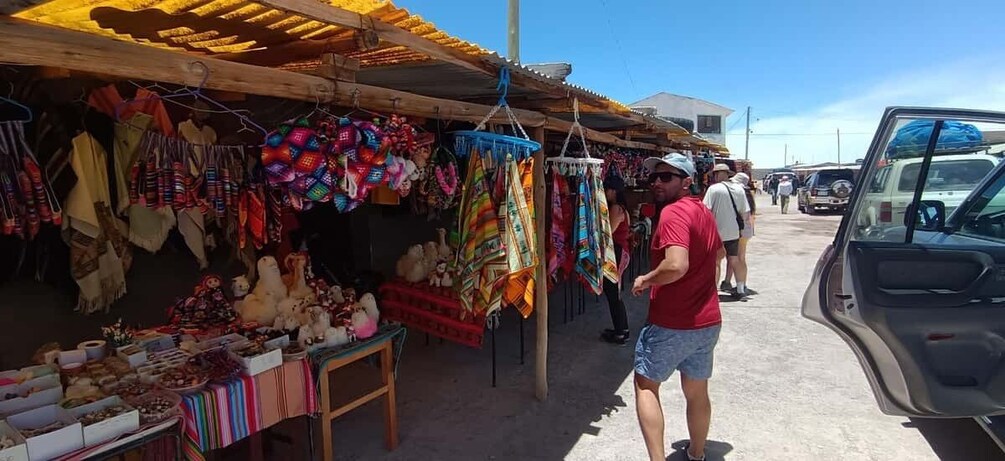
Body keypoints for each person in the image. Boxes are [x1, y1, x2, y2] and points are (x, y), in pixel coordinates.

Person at [633, 153, 723, 461]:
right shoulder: (703, 212)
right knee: (697, 391)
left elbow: (676, 265)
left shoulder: (673, 213)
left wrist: (646, 279)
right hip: (707, 322)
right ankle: (696, 453)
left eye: (666, 177)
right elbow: (719, 255)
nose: (657, 182)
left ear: (687, 182)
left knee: (645, 386)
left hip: (673, 321)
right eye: (654, 177)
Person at [703, 164, 750, 299]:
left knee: (716, 262)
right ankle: (741, 290)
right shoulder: (739, 189)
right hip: (734, 232)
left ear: (716, 174)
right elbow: (745, 214)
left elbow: (706, 212)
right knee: (734, 260)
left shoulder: (713, 189)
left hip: (716, 232)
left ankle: (713, 293)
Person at [601, 175, 631, 345]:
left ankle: (620, 333)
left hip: (616, 252)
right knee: (614, 293)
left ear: (612, 191)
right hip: (620, 252)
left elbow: (609, 233)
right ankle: (622, 329)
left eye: (606, 189)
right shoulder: (622, 208)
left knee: (613, 293)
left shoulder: (615, 209)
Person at [724, 173, 756, 295]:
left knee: (737, 258)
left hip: (740, 229)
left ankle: (741, 286)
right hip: (746, 229)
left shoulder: (739, 194)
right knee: (737, 257)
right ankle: (736, 283)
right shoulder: (748, 195)